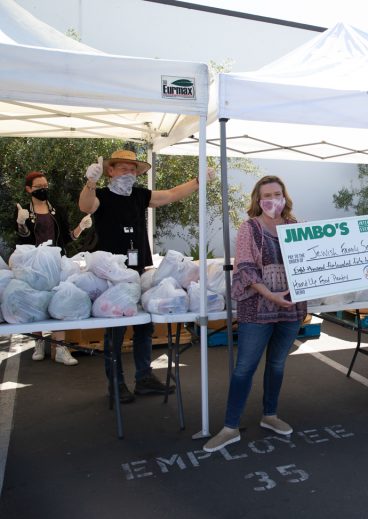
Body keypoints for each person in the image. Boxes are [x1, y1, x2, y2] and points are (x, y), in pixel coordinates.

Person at [79, 149, 207, 403]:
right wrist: (90, 182)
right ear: (110, 171)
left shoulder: (139, 196)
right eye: (123, 168)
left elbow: (170, 195)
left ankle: (144, 378)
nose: (129, 173)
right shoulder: (101, 196)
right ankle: (116, 384)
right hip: (111, 276)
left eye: (133, 169)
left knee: (144, 326)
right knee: (115, 331)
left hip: (138, 270)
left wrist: (198, 181)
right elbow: (85, 205)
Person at [204, 175, 307, 452]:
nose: (273, 199)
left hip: (290, 308)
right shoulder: (249, 228)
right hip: (257, 307)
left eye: (277, 193)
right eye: (267, 195)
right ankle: (229, 427)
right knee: (244, 368)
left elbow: (308, 262)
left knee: (277, 364)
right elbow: (246, 268)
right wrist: (270, 294)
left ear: (285, 196)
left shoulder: (296, 227)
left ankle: (270, 415)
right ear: (258, 200)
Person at [15, 170, 93, 366]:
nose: (43, 189)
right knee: (36, 302)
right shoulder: (23, 210)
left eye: (45, 186)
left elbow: (68, 238)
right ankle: (39, 342)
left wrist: (81, 227)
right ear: (28, 189)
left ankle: (60, 347)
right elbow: (22, 239)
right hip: (35, 265)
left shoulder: (57, 209)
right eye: (38, 187)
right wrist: (21, 223)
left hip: (58, 262)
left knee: (61, 300)